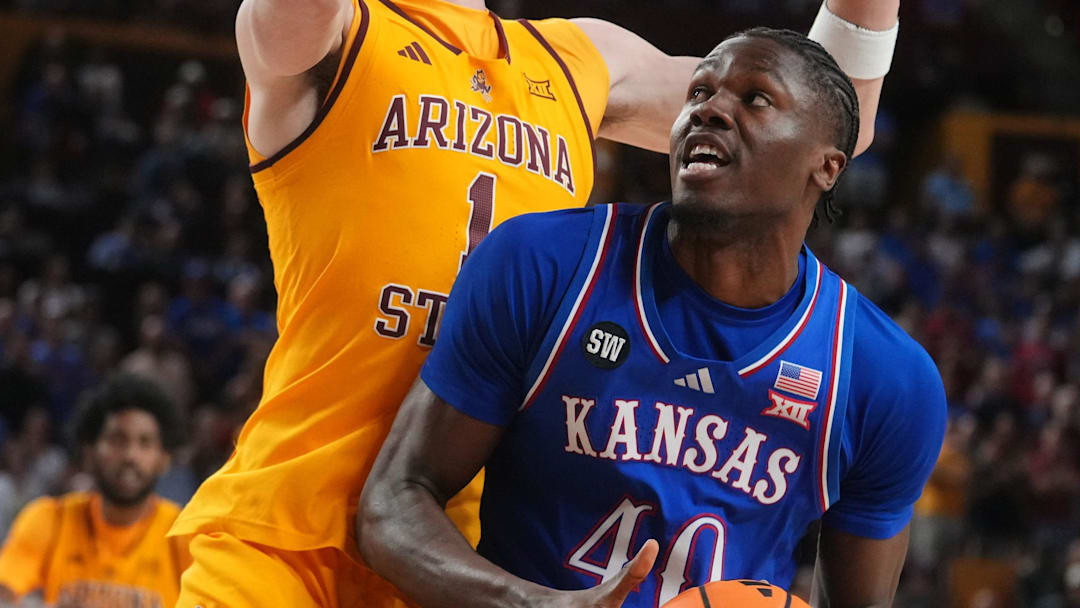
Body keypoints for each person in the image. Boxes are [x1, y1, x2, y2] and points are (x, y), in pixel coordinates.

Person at [170, 0, 902, 605]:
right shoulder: (338, 30)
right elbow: (278, 25)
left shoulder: (581, 57)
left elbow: (821, 112)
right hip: (282, 533)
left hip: (452, 559)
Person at [358, 28, 946, 608]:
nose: (709, 109)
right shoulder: (547, 265)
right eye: (698, 92)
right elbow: (393, 500)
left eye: (755, 98)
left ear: (827, 167)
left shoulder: (882, 377)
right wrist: (528, 604)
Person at [0, 374, 190, 608]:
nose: (130, 455)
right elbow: (4, 595)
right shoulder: (49, 519)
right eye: (117, 440)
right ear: (89, 452)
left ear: (164, 458)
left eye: (145, 442)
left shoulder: (183, 535)